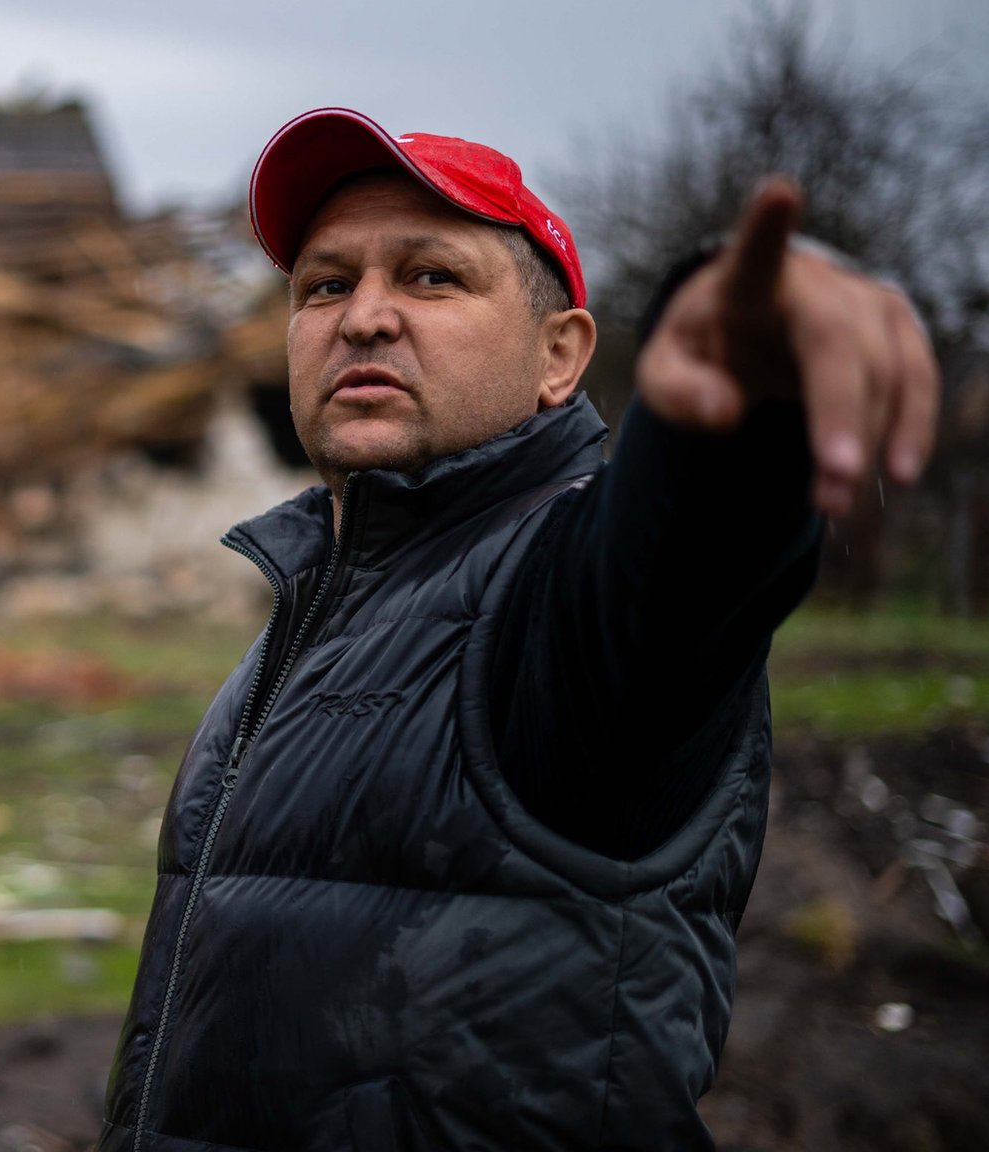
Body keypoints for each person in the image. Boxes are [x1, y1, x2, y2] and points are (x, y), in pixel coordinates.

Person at [96, 108, 939, 1151]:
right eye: (325, 284)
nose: (362, 316)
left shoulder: (555, 597)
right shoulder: (317, 596)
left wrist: (735, 406)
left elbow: (680, 551)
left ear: (560, 355)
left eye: (430, 277)